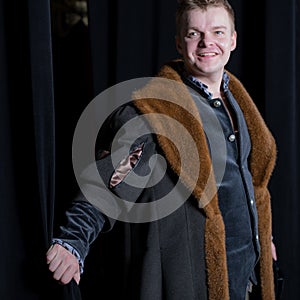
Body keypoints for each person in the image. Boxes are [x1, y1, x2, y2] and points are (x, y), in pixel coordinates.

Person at [47, 0, 278, 299]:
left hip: (247, 280)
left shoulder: (238, 102)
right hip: (196, 284)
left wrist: (260, 232)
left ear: (232, 40)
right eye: (194, 33)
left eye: (218, 32)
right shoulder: (157, 113)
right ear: (179, 43)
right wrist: (72, 242)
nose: (207, 42)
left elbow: (245, 180)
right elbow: (109, 181)